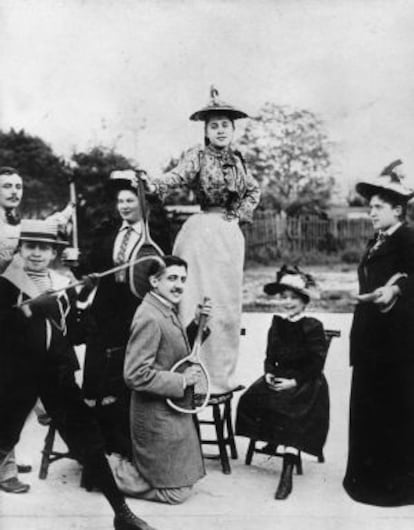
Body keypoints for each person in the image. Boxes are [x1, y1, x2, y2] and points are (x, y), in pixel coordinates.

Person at [0, 219, 156, 530]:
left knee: (89, 441)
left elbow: (75, 334)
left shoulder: (61, 283)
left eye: (44, 248)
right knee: (3, 438)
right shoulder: (5, 284)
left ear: (53, 253)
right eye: (30, 247)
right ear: (20, 249)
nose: (36, 254)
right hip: (16, 376)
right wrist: (29, 310)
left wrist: (84, 296)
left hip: (57, 374)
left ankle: (121, 513)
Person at [146, 87, 260, 393]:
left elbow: (253, 190)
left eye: (225, 125)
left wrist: (238, 214)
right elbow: (178, 175)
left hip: (229, 236)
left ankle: (222, 376)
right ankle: (192, 372)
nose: (220, 130)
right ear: (206, 131)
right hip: (201, 234)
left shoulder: (238, 160)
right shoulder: (196, 156)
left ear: (233, 129)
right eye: (214, 126)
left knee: (226, 305)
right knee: (196, 298)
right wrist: (155, 184)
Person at [108, 255, 209, 504]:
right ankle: (103, 470)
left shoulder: (162, 307)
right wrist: (182, 381)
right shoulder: (149, 316)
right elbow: (134, 375)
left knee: (187, 481)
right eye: (172, 278)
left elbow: (174, 352)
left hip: (170, 408)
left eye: (183, 279)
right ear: (154, 281)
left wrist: (197, 324)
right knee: (176, 494)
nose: (179, 285)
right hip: (155, 415)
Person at [343, 160, 414, 506]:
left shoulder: (408, 237)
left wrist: (398, 289)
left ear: (398, 209)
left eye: (378, 206)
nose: (370, 211)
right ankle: (365, 480)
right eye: (369, 206)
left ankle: (392, 488)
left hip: (397, 344)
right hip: (373, 341)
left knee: (393, 412)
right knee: (370, 409)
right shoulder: (380, 238)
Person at [0, 166, 73, 493]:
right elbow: (21, 242)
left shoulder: (15, 221)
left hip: (15, 303)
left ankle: (6, 455)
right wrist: (56, 223)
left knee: (22, 391)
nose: (14, 191)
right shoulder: (8, 229)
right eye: (6, 186)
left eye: (18, 186)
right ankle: (5, 468)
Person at [236, 266, 329, 500]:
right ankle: (271, 437)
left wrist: (294, 382)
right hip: (281, 374)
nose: (288, 303)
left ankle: (286, 472)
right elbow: (270, 355)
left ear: (304, 301)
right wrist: (268, 373)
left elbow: (316, 363)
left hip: (305, 380)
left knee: (291, 410)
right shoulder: (277, 323)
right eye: (284, 298)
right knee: (252, 398)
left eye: (294, 298)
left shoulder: (312, 326)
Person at [80, 170, 152, 459]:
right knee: (99, 378)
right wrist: (80, 268)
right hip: (104, 313)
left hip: (135, 313)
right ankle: (98, 450)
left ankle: (126, 449)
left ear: (142, 203)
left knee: (126, 377)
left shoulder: (152, 237)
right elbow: (90, 272)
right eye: (120, 201)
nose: (124, 206)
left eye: (130, 200)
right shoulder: (109, 234)